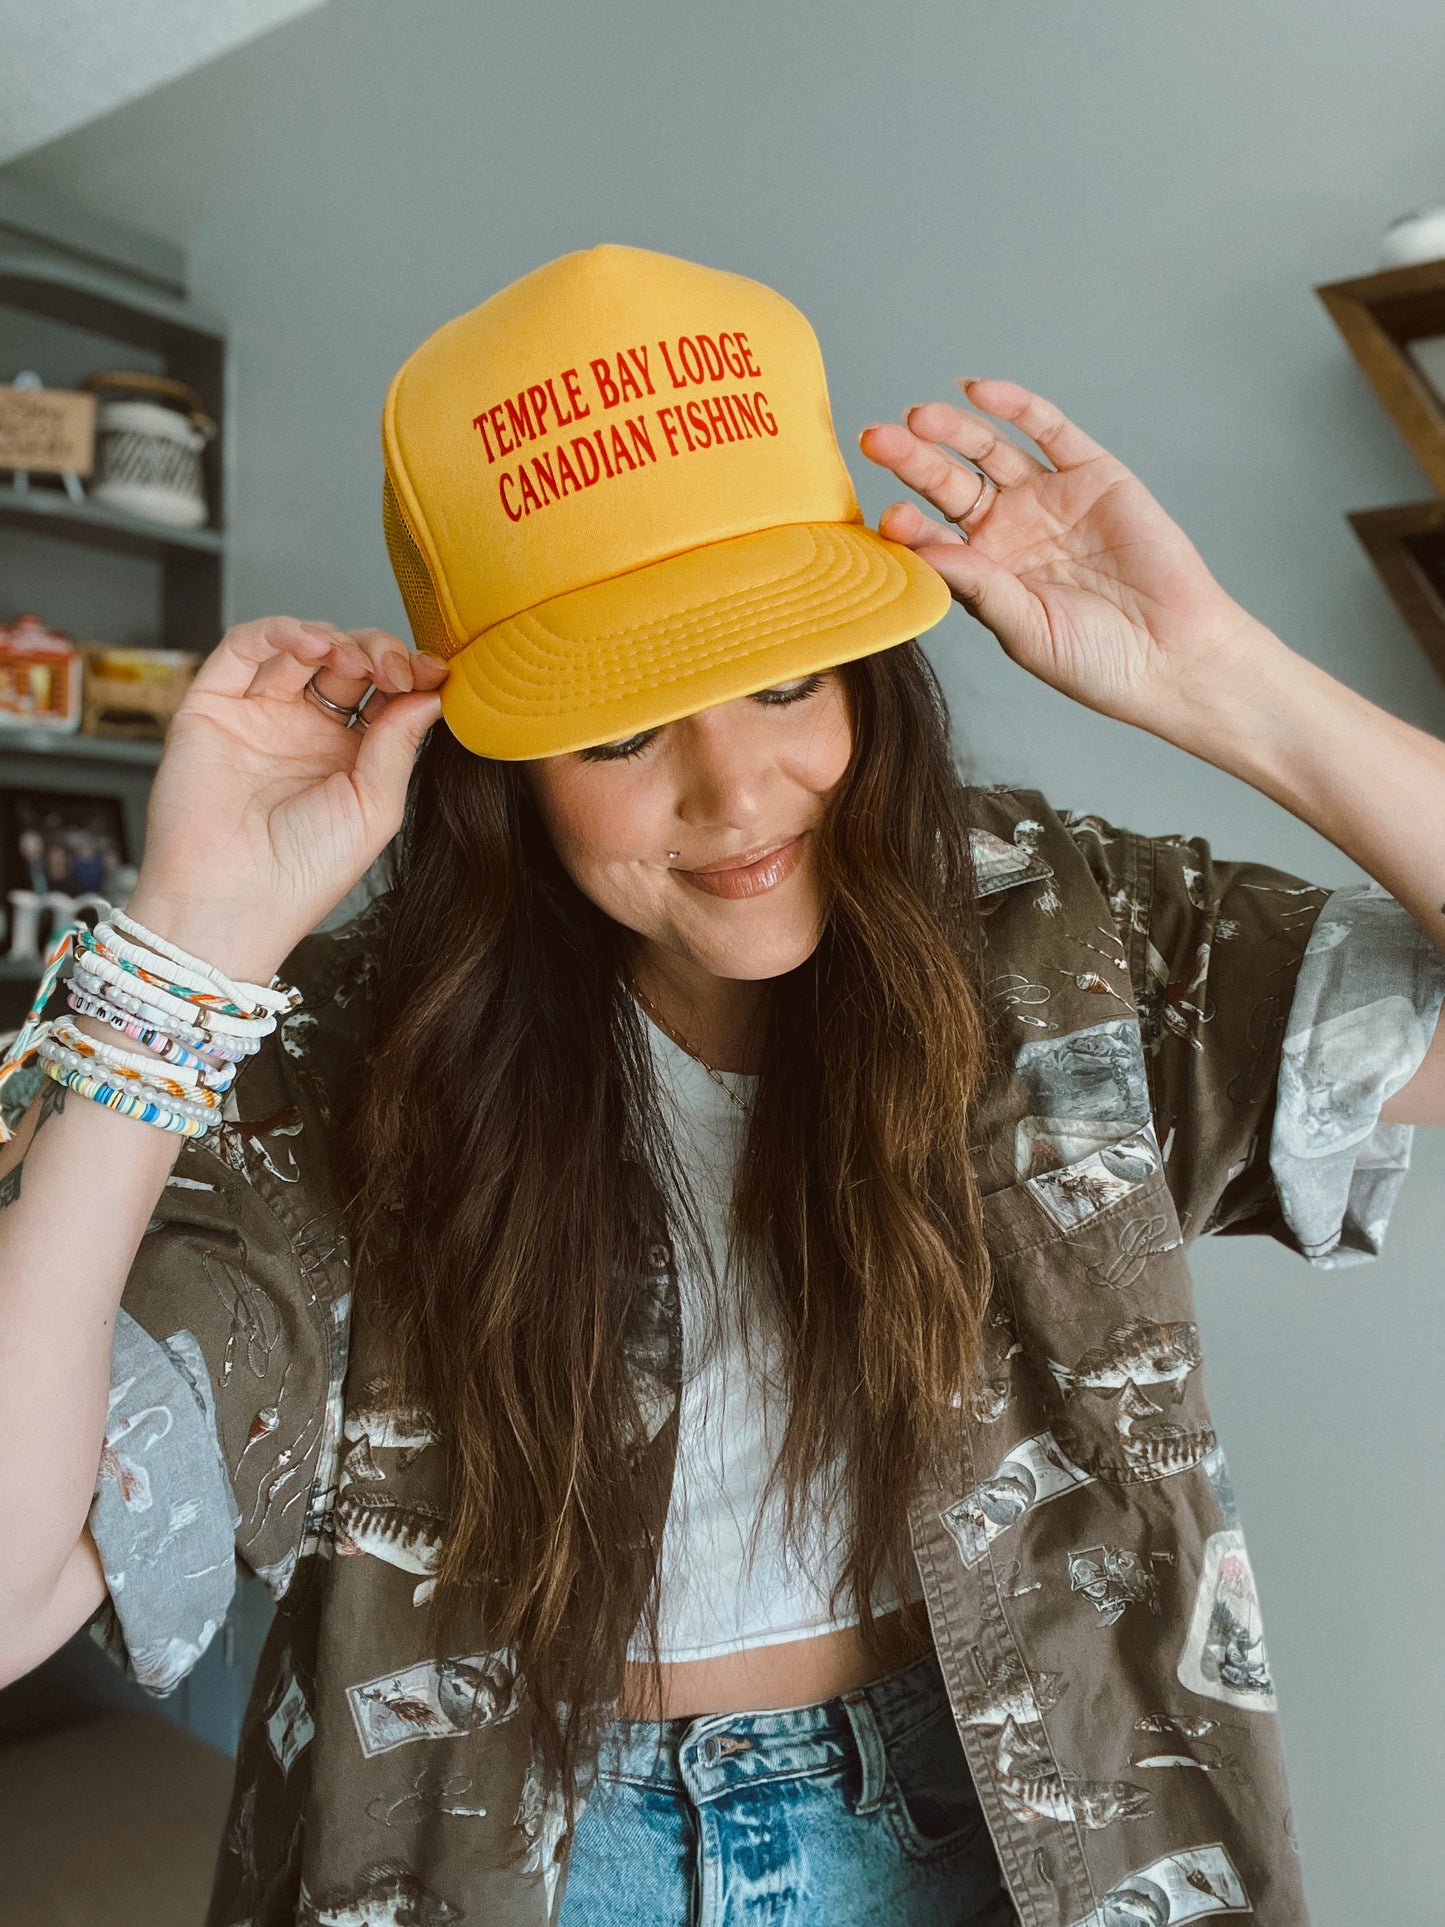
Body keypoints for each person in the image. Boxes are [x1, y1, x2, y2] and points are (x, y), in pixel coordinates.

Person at [1, 243, 1443, 1927]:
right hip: (515, 1850)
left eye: (784, 678)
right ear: (499, 764)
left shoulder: (1060, 935)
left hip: (1006, 1823)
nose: (736, 792)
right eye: (619, 730)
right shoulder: (345, 1059)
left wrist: (1221, 680)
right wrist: (187, 947)